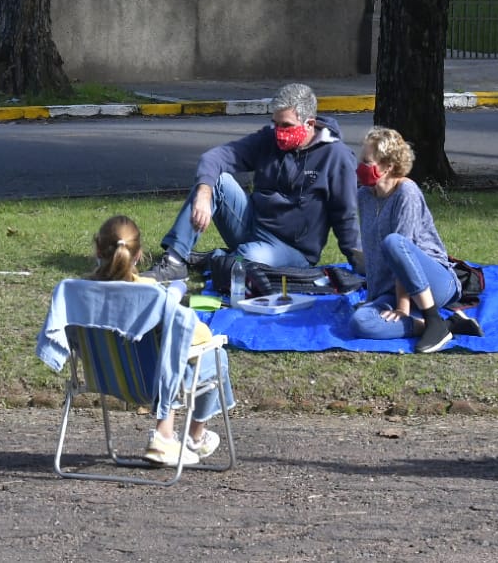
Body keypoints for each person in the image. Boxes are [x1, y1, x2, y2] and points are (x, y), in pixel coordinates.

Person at [143, 82, 363, 284]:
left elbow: (346, 216)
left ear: (310, 124)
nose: (279, 133)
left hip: (292, 250)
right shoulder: (268, 139)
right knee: (217, 180)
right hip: (252, 225)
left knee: (245, 262)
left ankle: (218, 259)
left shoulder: (337, 156)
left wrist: (359, 264)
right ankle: (174, 262)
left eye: (286, 125)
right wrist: (204, 191)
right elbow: (215, 157)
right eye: (275, 124)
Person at [87, 215, 230, 467]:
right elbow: (196, 336)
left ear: (98, 248)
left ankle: (180, 437)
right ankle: (192, 435)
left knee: (169, 355)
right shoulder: (151, 294)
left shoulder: (76, 291)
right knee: (215, 356)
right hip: (154, 384)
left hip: (104, 377)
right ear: (139, 255)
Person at [349, 127, 481, 353]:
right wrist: (374, 299)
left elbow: (401, 251)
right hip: (391, 289)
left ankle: (432, 319)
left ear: (388, 166)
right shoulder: (364, 196)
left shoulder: (406, 192)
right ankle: (448, 324)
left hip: (434, 283)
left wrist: (402, 307)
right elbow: (371, 250)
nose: (360, 167)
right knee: (360, 322)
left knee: (393, 242)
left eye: (366, 161)